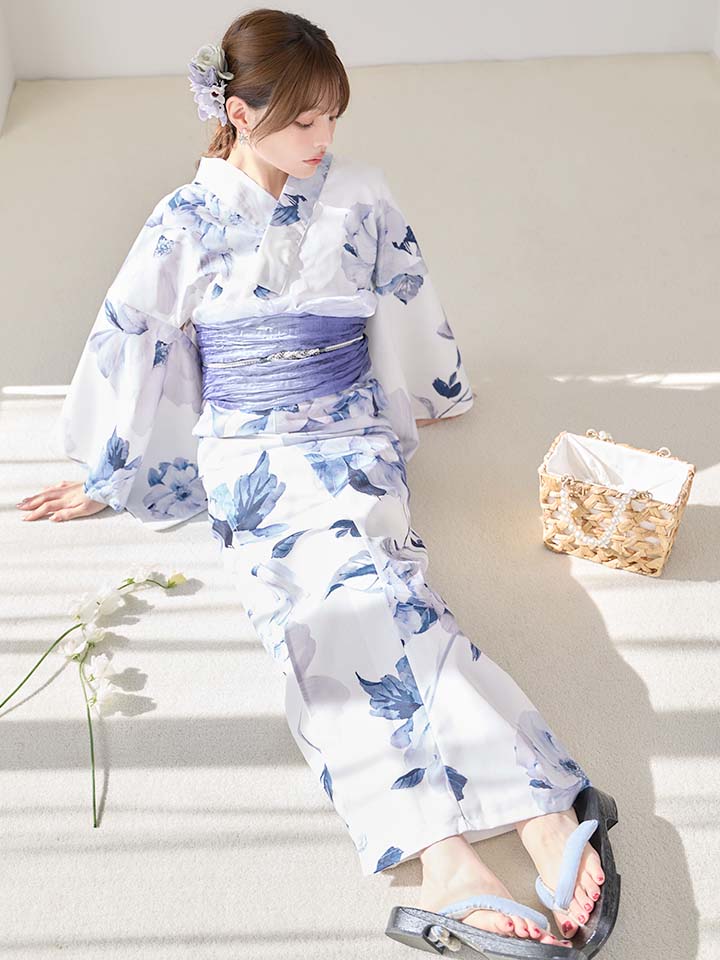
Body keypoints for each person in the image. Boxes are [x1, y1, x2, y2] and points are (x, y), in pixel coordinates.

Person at [16, 8, 606, 949]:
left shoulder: (359, 192)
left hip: (350, 430)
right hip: (248, 455)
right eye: (302, 120)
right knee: (315, 618)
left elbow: (405, 294)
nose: (323, 137)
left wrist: (435, 391)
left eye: (333, 115)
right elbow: (133, 339)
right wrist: (113, 469)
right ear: (238, 113)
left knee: (387, 585)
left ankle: (507, 829)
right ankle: (481, 835)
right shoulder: (185, 220)